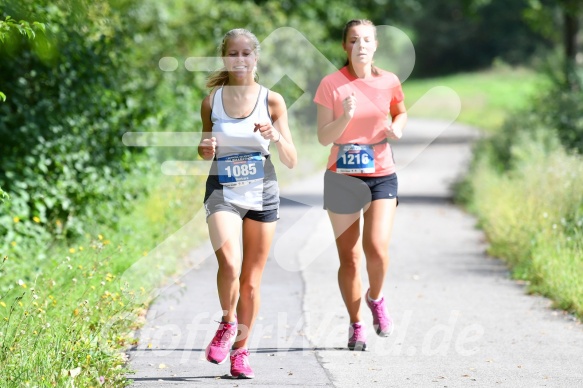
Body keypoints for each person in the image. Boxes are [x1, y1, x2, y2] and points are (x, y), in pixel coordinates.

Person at [197, 28, 297, 378]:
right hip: (222, 189)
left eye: (246, 53)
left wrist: (275, 136)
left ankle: (241, 351)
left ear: (256, 57)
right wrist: (206, 148)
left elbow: (291, 159)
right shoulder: (212, 100)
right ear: (224, 57)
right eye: (233, 53)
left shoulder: (272, 101)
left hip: (262, 190)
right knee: (229, 263)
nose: (239, 59)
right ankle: (227, 322)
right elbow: (204, 145)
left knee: (252, 281)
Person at [313, 19, 407, 351]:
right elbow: (324, 137)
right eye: (354, 40)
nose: (361, 45)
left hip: (381, 173)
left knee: (377, 249)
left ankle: (376, 298)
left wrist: (397, 127)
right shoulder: (331, 84)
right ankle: (355, 325)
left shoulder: (389, 81)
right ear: (345, 47)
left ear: (376, 45)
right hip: (341, 176)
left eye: (367, 39)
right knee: (350, 258)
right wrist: (345, 117)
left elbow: (401, 112)